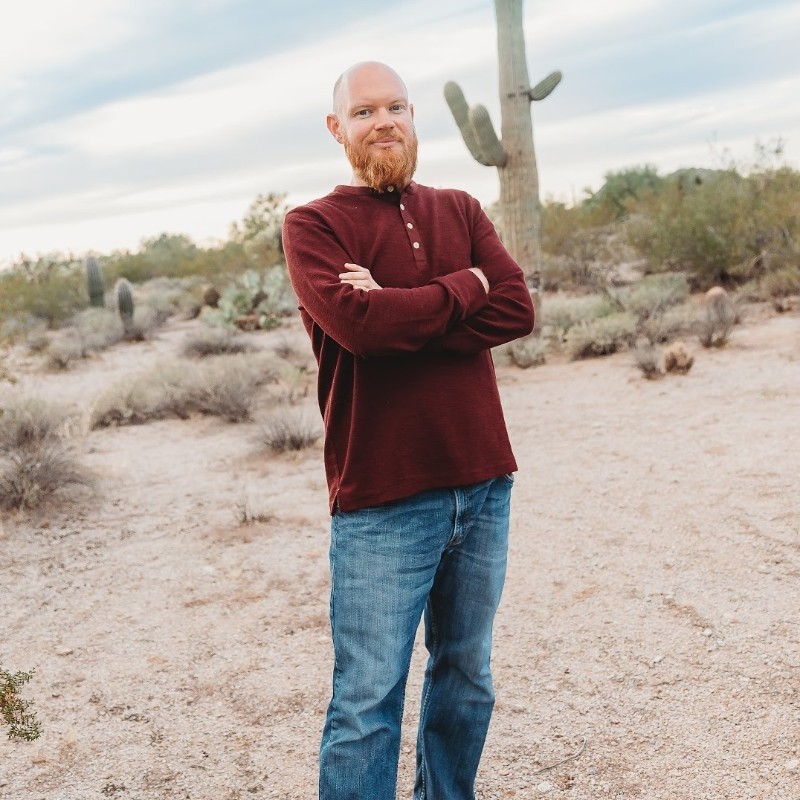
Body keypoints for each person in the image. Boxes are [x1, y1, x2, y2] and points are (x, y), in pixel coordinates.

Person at [281, 61, 535, 800]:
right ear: (339, 129)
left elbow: (515, 310)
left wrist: (403, 304)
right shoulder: (313, 226)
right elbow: (363, 330)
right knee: (366, 702)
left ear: (415, 115)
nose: (383, 121)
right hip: (383, 497)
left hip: (483, 479)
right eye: (364, 112)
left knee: (467, 675)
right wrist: (466, 290)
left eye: (395, 106)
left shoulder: (460, 208)